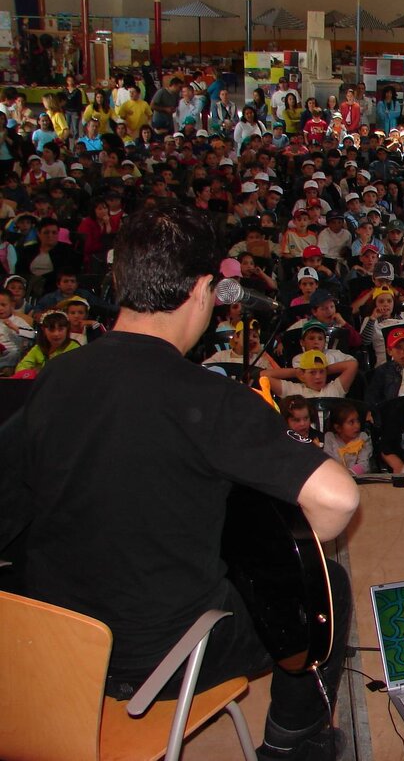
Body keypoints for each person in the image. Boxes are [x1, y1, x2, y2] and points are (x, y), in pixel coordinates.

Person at [2, 204, 360, 761]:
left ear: (121, 281)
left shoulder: (55, 376)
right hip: (156, 658)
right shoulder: (209, 397)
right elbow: (337, 499)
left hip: (52, 642)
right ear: (201, 291)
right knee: (328, 585)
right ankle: (294, 744)